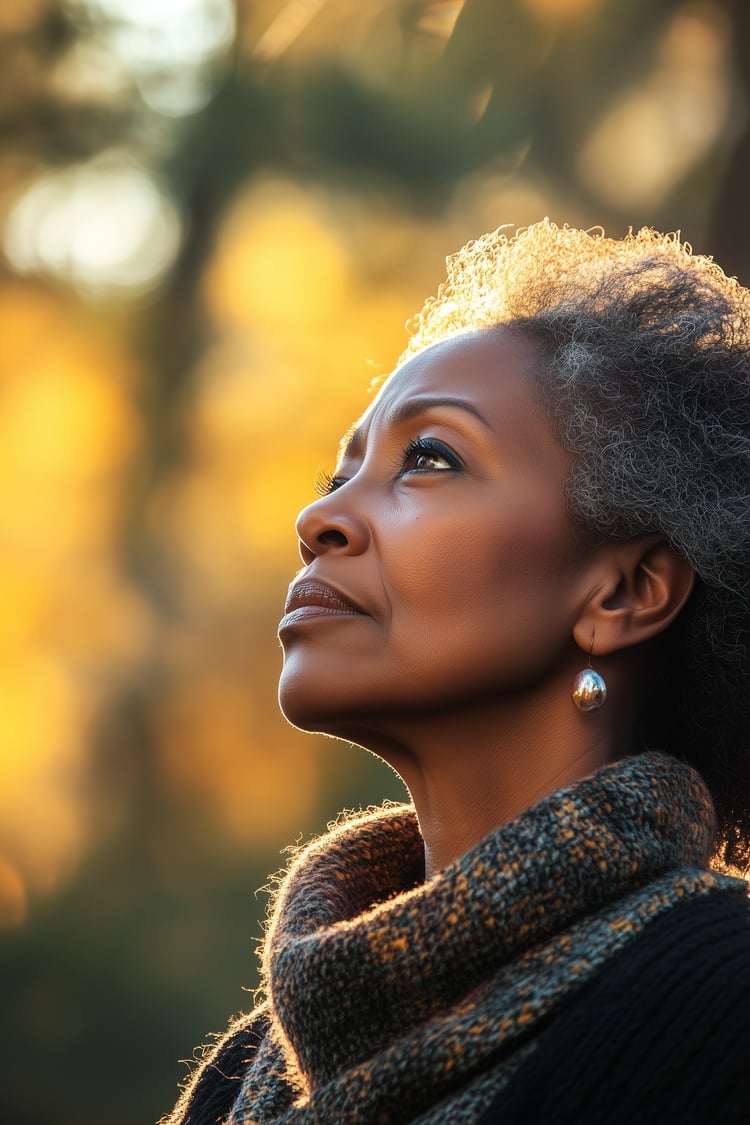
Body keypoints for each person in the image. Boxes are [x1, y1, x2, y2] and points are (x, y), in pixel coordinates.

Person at [163, 220, 750, 1125]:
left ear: (625, 591)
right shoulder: (243, 1081)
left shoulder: (720, 1005)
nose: (320, 516)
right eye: (339, 471)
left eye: (429, 459)